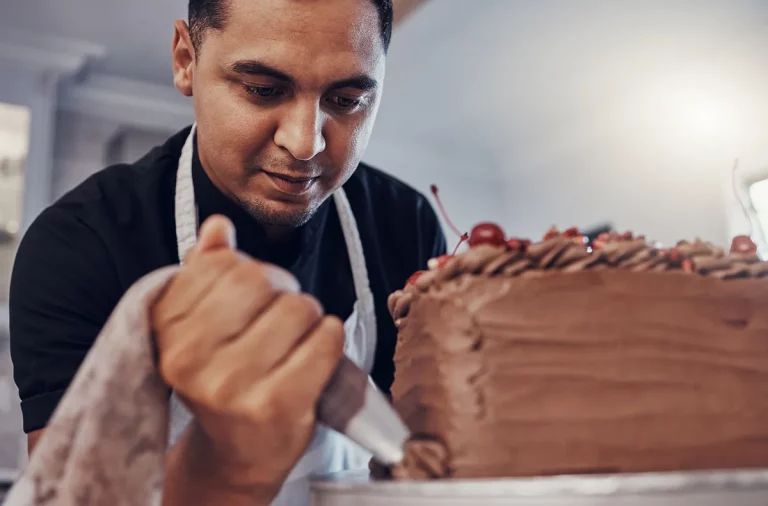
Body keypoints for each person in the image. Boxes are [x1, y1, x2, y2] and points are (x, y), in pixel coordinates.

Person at [8, 0, 446, 504]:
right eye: (263, 90)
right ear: (185, 60)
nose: (305, 143)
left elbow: (424, 459)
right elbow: (72, 496)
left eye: (346, 100)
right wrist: (222, 464)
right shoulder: (79, 243)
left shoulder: (404, 225)